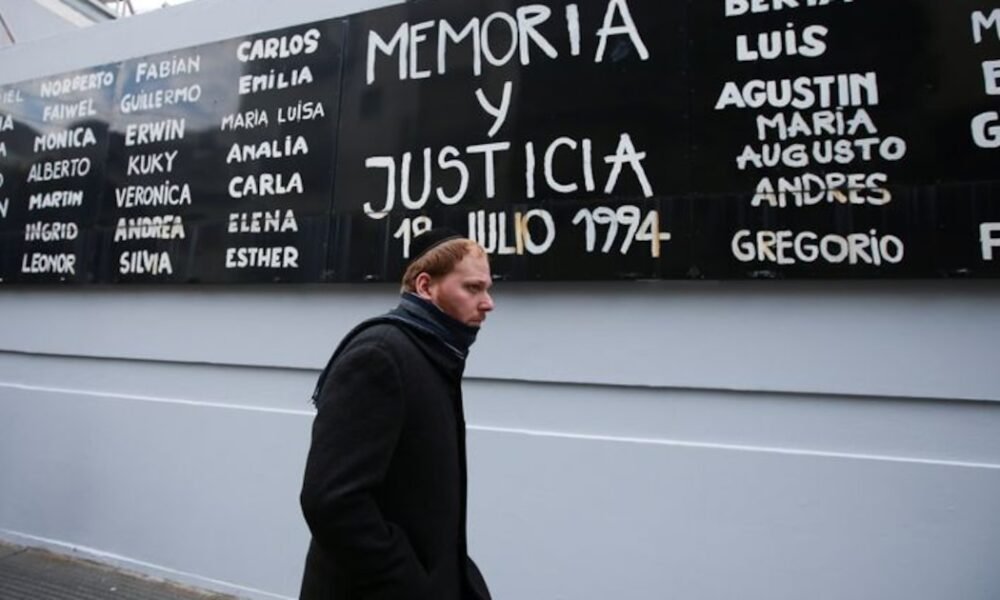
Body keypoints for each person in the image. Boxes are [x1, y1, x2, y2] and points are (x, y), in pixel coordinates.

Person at [299, 228, 494, 600]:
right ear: (425, 286)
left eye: (487, 289)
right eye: (473, 288)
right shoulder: (380, 356)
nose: (488, 303)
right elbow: (332, 502)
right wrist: (411, 583)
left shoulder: (434, 354)